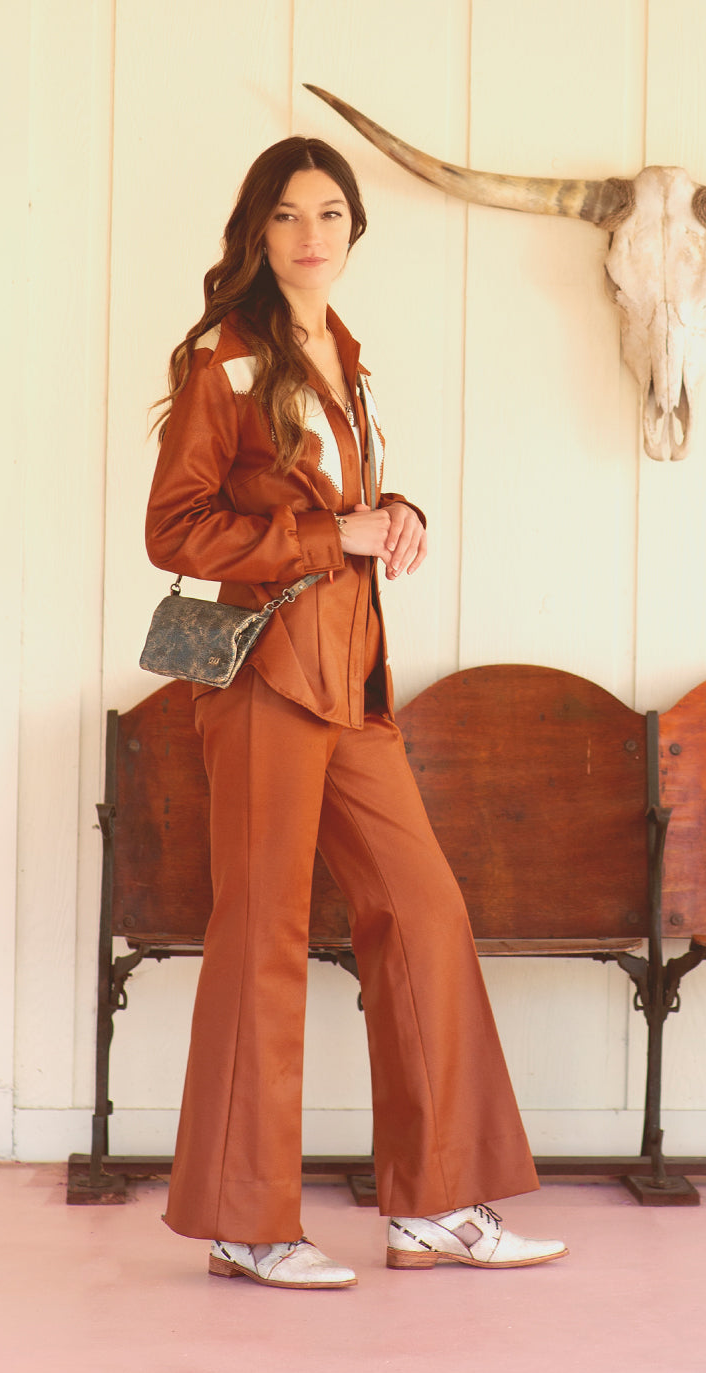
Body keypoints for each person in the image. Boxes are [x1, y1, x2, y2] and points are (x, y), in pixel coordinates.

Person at [145, 136, 566, 1290]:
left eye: (331, 213)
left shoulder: (350, 360)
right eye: (288, 215)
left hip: (356, 684)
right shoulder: (223, 361)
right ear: (257, 230)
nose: (312, 234)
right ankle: (247, 1222)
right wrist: (338, 537)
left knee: (423, 912)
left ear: (352, 231)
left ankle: (434, 1204)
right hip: (268, 681)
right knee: (261, 932)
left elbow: (346, 500)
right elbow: (174, 530)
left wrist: (400, 513)